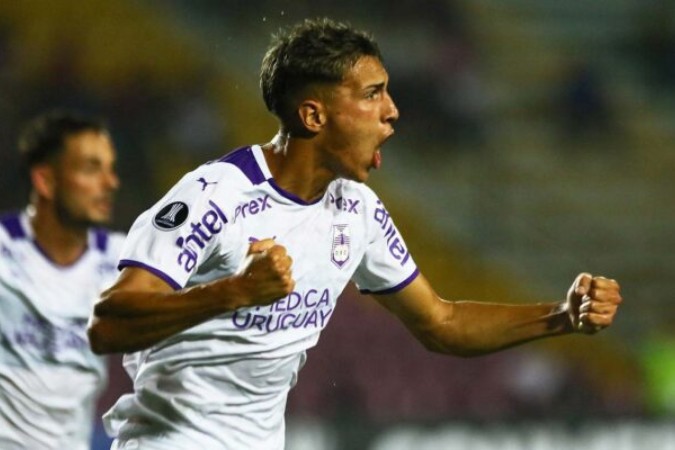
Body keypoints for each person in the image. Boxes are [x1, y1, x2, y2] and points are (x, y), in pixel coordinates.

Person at [88, 18, 622, 450]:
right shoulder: (215, 196)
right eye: (372, 94)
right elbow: (108, 324)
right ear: (315, 114)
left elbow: (443, 322)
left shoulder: (356, 209)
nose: (392, 112)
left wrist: (561, 317)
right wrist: (234, 292)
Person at [0, 110, 124, 449]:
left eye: (110, 169)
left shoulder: (122, 259)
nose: (110, 182)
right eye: (91, 168)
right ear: (46, 181)